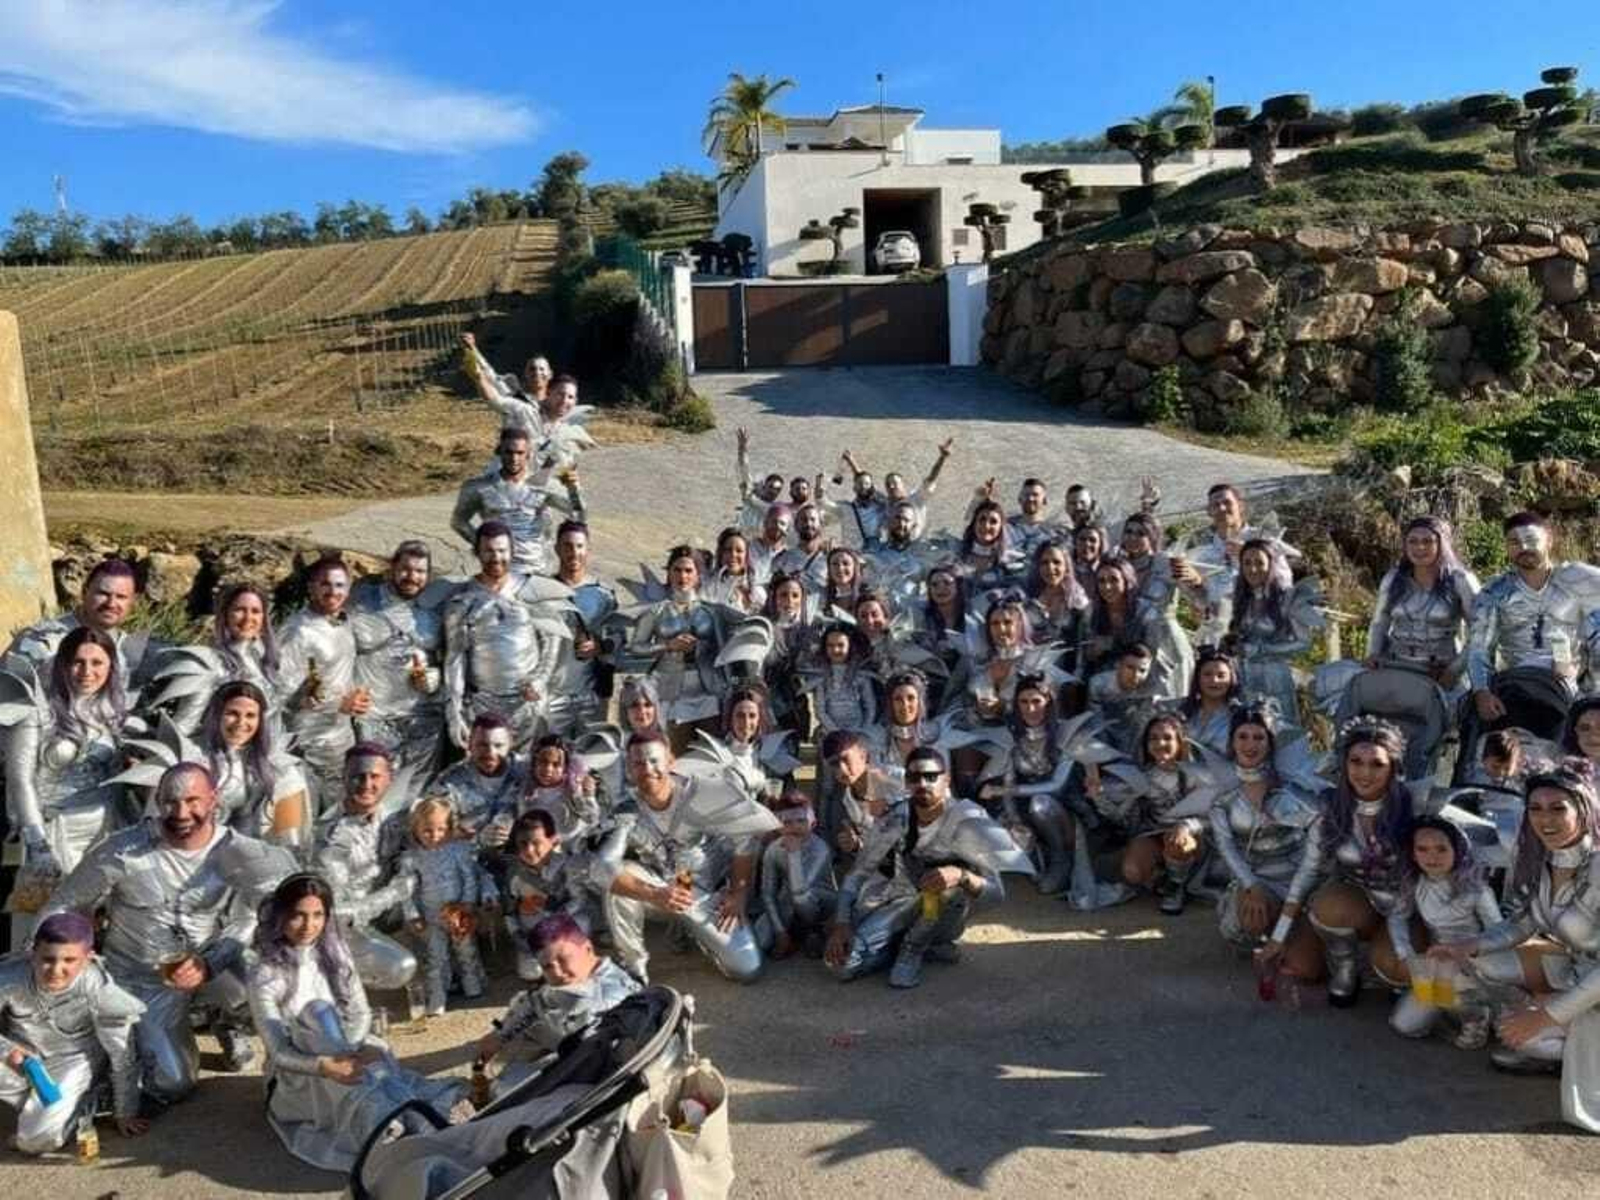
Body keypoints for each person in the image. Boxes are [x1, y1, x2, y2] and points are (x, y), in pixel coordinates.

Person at [41, 762, 295, 1100]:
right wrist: (69, 961)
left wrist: (211, 962)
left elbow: (262, 913)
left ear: (213, 800)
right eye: (171, 802)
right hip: (138, 979)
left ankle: (249, 1042)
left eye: (192, 801)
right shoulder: (123, 850)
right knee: (171, 1083)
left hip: (207, 964)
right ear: (158, 802)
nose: (181, 813)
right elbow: (63, 905)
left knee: (278, 977)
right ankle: (124, 1046)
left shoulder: (237, 850)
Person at [249, 873, 465, 1171]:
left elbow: (361, 1012)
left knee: (374, 1049)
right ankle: (384, 1126)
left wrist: (352, 1049)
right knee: (319, 1013)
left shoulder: (335, 952)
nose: (309, 925)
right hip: (301, 1074)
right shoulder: (264, 975)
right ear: (281, 915)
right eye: (298, 915)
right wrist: (327, 1065)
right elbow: (279, 1052)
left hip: (345, 1046)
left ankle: (409, 1118)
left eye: (317, 915)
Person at [1437, 760, 1600, 1131]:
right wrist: (1469, 945)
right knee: (1482, 966)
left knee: (1526, 1036)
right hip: (1576, 971)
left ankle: (1563, 1046)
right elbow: (1522, 923)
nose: (1546, 819)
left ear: (1583, 809)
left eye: (1558, 808)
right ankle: (1553, 1036)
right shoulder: (1541, 861)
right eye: (1536, 808)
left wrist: (1545, 1015)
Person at [826, 746, 1027, 988]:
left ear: (947, 780)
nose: (922, 784)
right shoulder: (896, 818)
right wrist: (841, 923)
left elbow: (996, 895)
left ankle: (913, 949)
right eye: (914, 778)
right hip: (901, 902)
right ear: (906, 783)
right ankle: (919, 946)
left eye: (931, 777)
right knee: (842, 967)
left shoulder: (969, 818)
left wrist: (962, 876)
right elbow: (857, 874)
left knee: (944, 889)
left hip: (947, 909)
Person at [592, 733, 776, 984]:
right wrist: (656, 894)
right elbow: (602, 867)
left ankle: (695, 932)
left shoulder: (698, 791)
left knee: (747, 968)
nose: (647, 769)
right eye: (638, 763)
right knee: (617, 881)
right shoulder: (627, 807)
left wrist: (738, 893)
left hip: (703, 890)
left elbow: (745, 839)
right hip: (663, 887)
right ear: (629, 769)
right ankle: (634, 967)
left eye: (654, 761)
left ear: (670, 760)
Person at [0, 911, 147, 1153]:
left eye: (69, 960)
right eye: (48, 958)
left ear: (88, 958)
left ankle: (90, 1098)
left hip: (72, 1062)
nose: (56, 970)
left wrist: (125, 1111)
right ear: (32, 952)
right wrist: (7, 1050)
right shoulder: (9, 976)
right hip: (22, 1056)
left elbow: (122, 1053)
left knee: (36, 1140)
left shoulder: (99, 989)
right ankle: (35, 1104)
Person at [1, 626, 134, 890]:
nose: (87, 672)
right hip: (53, 831)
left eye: (97, 663)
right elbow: (19, 780)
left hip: (105, 830)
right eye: (78, 662)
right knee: (48, 910)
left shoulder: (116, 712)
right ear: (62, 664)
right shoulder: (36, 712)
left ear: (111, 666)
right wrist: (37, 843)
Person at [1305, 718, 1420, 1007]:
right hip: (1361, 900)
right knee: (1327, 908)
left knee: (1396, 969)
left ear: (1393, 768)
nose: (1365, 773)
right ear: (1344, 764)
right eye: (1356, 761)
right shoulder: (1331, 807)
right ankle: (1345, 967)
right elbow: (1308, 870)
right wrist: (1280, 933)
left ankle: (1397, 970)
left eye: (1377, 764)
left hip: (1410, 908)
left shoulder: (1418, 806)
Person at [1209, 704, 1325, 979]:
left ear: (1271, 744)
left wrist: (1291, 911)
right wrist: (1251, 885)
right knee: (1249, 923)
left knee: (1305, 969)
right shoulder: (1222, 797)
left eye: (1259, 737)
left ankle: (1293, 931)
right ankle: (1267, 929)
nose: (1250, 745)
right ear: (1231, 742)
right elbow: (1226, 848)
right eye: (1243, 736)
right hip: (1258, 880)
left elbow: (1312, 862)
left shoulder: (1296, 793)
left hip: (1303, 883)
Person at [475, 914, 640, 1097]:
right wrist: (499, 1035)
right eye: (547, 967)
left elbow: (586, 1059)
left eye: (563, 959)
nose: (558, 973)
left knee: (505, 1088)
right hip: (588, 1057)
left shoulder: (603, 998)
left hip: (599, 1080)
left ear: (587, 948)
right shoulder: (587, 977)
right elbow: (537, 1000)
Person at [443, 521, 570, 751]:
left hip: (528, 706)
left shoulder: (531, 590)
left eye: (502, 550)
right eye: (488, 551)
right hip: (481, 706)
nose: (496, 557)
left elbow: (552, 640)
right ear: (476, 552)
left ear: (512, 551)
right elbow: (455, 659)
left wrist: (540, 679)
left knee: (529, 768)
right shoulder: (462, 601)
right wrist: (454, 711)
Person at [1467, 511, 1600, 726]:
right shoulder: (1495, 591)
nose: (1523, 547)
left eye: (1531, 539)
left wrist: (1593, 690)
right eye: (1514, 542)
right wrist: (1481, 691)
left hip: (1571, 682)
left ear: (1549, 540)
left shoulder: (1579, 579)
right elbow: (1479, 646)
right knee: (1476, 724)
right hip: (1516, 680)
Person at [1384, 817, 1502, 1049]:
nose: (1432, 857)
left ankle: (1476, 1014)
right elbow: (1397, 917)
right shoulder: (1413, 884)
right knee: (1405, 1025)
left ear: (1457, 850)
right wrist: (1405, 954)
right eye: (1422, 849)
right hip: (1436, 961)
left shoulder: (1476, 889)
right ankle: (1449, 1009)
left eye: (1441, 849)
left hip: (1474, 962)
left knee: (1455, 984)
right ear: (1413, 853)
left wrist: (1472, 954)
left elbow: (1498, 932)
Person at [350, 541, 451, 807]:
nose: (412, 577)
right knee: (374, 795)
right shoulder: (361, 601)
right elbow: (338, 648)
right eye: (405, 569)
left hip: (423, 717)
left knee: (416, 800)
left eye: (420, 571)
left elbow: (454, 658)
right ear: (392, 567)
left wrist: (435, 679)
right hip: (375, 715)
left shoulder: (437, 607)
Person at [312, 745, 419, 993]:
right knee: (400, 967)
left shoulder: (393, 815)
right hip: (346, 925)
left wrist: (408, 865)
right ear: (344, 778)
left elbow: (413, 851)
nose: (366, 784)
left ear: (389, 779)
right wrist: (397, 891)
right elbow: (338, 913)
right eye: (358, 776)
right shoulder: (331, 836)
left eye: (374, 776)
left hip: (386, 909)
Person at [628, 545, 749, 753]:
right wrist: (668, 645)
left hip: (709, 691)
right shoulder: (657, 611)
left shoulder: (711, 611)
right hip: (670, 692)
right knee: (675, 754)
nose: (682, 576)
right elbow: (636, 647)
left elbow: (730, 641)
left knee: (711, 754)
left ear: (698, 574)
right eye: (677, 570)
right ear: (669, 573)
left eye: (688, 570)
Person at [1090, 712, 1212, 915]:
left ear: (1180, 742)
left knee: (1177, 840)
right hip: (1154, 834)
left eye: (1167, 738)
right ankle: (1160, 879)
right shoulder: (1143, 776)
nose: (1160, 743)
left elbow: (1213, 815)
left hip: (1192, 838)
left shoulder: (1195, 774)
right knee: (1132, 870)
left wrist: (1186, 826)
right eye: (1153, 738)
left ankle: (1175, 887)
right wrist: (1098, 796)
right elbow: (1119, 816)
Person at [975, 673, 1082, 896]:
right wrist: (1014, 819)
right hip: (1024, 806)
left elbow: (1057, 785)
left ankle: (1061, 857)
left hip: (1062, 809)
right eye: (1023, 702)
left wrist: (1006, 790)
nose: (1030, 708)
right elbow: (1008, 779)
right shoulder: (1011, 735)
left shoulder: (1067, 733)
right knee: (998, 820)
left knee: (1039, 804)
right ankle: (1033, 853)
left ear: (1048, 702)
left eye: (1036, 701)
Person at [277, 554, 365, 817]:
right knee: (307, 814)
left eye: (339, 585)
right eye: (325, 584)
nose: (333, 591)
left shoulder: (342, 622)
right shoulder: (297, 631)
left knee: (338, 811)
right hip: (308, 741)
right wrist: (337, 703)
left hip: (341, 737)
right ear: (311, 587)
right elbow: (281, 692)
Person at [395, 798, 497, 1017]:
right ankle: (437, 996)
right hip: (431, 916)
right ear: (415, 829)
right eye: (427, 830)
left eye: (441, 829)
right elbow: (406, 890)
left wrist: (467, 904)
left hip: (458, 912)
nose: (435, 835)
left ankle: (472, 985)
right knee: (436, 956)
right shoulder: (411, 858)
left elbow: (469, 877)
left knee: (466, 949)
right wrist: (412, 915)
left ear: (450, 828)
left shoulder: (458, 851)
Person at [146, 581, 285, 733]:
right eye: (240, 610)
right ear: (225, 615)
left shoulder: (266, 663)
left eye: (255, 611)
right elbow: (183, 726)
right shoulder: (208, 663)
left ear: (264, 618)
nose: (248, 618)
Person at [451, 428, 585, 576]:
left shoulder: (544, 486)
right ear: (499, 451)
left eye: (520, 453)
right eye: (509, 452)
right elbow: (459, 522)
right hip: (497, 569)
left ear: (529, 454)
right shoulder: (478, 487)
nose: (514, 458)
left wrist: (573, 489)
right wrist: (483, 544)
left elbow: (578, 516)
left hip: (537, 569)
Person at [1365, 516, 1480, 688]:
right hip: (1394, 666)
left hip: (1441, 671)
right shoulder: (1393, 578)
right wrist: (1372, 654)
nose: (1420, 547)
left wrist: (1454, 670)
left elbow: (1481, 632)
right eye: (1413, 541)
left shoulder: (1461, 580)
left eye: (1428, 541)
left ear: (1442, 543)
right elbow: (1379, 622)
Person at [199, 680, 311, 856]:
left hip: (257, 859)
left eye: (250, 715)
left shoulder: (280, 768)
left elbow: (291, 838)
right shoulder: (192, 758)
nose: (241, 722)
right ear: (216, 715)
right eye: (232, 713)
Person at [3, 558, 155, 687]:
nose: (111, 603)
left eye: (121, 597)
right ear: (84, 592)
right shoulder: (40, 641)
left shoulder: (133, 652)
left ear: (132, 602)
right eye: (103, 593)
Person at [1223, 538, 1320, 727]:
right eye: (1247, 563)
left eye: (1259, 563)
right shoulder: (1241, 598)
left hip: (1275, 678)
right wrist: (1231, 644)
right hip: (1244, 676)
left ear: (1271, 564)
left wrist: (1262, 649)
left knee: (1279, 728)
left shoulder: (1288, 598)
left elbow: (1304, 643)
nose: (1253, 569)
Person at [500, 810, 596, 982]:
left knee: (581, 925)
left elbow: (579, 899)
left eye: (536, 843)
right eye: (523, 843)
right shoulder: (514, 872)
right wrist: (517, 934)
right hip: (532, 930)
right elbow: (509, 909)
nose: (529, 850)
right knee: (531, 973)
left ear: (553, 840)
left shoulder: (567, 866)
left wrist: (556, 918)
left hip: (564, 924)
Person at [546, 520, 619, 738]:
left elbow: (619, 639)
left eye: (579, 546)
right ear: (557, 549)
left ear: (588, 550)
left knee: (591, 754)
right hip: (550, 696)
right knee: (549, 755)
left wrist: (600, 646)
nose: (574, 552)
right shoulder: (542, 593)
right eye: (567, 546)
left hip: (591, 695)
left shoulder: (603, 595)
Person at [755, 795, 837, 958]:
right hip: (788, 901)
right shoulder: (773, 849)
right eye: (787, 822)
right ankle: (793, 935)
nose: (795, 827)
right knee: (761, 941)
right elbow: (768, 892)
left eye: (801, 821)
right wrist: (779, 931)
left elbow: (801, 889)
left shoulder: (821, 849)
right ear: (778, 827)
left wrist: (794, 853)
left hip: (821, 902)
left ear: (812, 823)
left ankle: (814, 930)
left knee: (801, 897)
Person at [433, 714, 527, 842]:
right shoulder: (450, 781)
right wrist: (475, 837)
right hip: (468, 850)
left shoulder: (528, 771)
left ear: (510, 744)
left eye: (498, 745)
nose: (490, 753)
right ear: (469, 744)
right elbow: (431, 825)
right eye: (482, 745)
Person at [461, 331, 553, 436]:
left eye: (542, 369)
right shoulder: (514, 396)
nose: (537, 372)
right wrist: (473, 349)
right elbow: (491, 375)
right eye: (532, 369)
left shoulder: (558, 401)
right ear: (525, 374)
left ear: (550, 374)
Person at [1181, 645, 1243, 754]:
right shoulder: (1181, 711)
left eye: (1221, 675)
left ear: (1231, 680)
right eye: (1207, 674)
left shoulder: (1240, 716)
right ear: (1198, 678)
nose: (1214, 680)